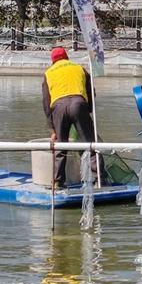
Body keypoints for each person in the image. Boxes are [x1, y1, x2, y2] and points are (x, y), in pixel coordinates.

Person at [42, 47, 102, 187]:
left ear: (53, 61)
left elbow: (46, 101)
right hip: (78, 104)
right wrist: (88, 110)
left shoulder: (48, 73)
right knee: (90, 143)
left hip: (58, 108)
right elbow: (90, 91)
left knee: (60, 145)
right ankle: (99, 179)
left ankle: (57, 181)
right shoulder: (79, 68)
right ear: (67, 57)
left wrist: (53, 129)